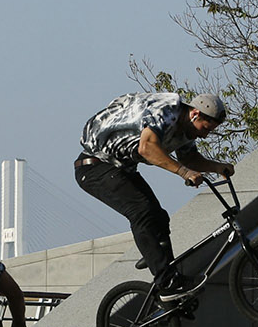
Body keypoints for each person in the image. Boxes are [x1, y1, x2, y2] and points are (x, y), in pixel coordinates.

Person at [74, 92, 234, 300]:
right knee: (142, 212)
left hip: (120, 169)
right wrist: (184, 173)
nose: (205, 135)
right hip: (95, 167)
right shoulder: (166, 112)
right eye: (206, 128)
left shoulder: (186, 130)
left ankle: (165, 272)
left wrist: (218, 166)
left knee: (159, 216)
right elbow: (147, 147)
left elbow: (190, 158)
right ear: (195, 114)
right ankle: (166, 280)